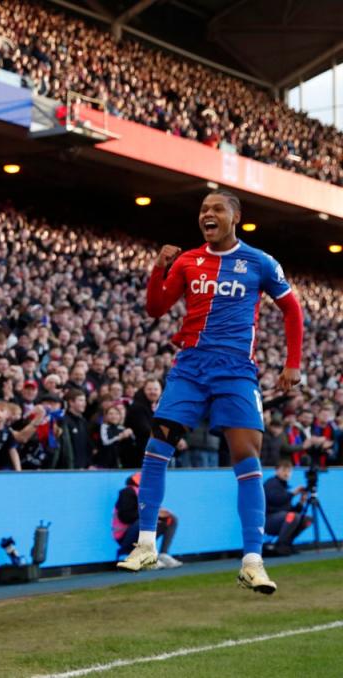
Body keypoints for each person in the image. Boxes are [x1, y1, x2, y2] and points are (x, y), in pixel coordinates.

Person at [118, 190, 304, 595]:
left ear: (235, 217)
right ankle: (146, 544)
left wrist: (293, 363)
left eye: (217, 208)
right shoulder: (186, 260)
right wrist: (158, 269)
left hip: (236, 371)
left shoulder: (259, 262)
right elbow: (155, 308)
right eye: (203, 209)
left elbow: (292, 309)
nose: (208, 213)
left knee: (246, 457)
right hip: (190, 367)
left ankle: (253, 561)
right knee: (156, 447)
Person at [112, 472, 182, 569]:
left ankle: (163, 554)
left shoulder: (147, 495)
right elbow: (125, 517)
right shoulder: (127, 492)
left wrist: (160, 514)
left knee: (171, 518)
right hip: (125, 537)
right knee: (147, 521)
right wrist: (154, 514)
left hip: (138, 530)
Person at [263, 459, 312, 556]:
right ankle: (280, 546)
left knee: (306, 520)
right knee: (293, 516)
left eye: (289, 471)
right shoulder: (271, 483)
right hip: (268, 520)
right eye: (284, 470)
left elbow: (292, 511)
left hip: (280, 519)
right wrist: (293, 493)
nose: (287, 473)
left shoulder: (284, 487)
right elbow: (277, 500)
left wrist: (301, 501)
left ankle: (287, 544)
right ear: (276, 470)